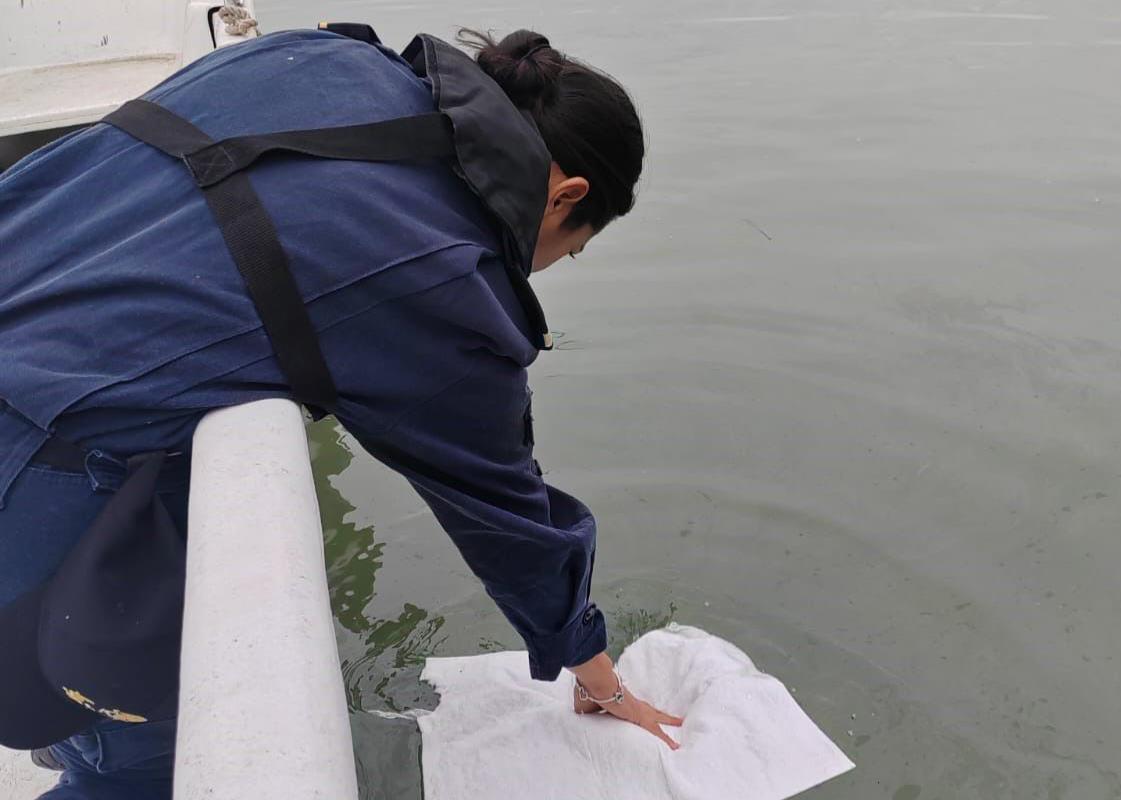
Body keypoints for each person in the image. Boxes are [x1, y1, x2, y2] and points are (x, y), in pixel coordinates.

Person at [0, 24, 683, 800]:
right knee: (150, 762)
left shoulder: (324, 58)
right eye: (574, 246)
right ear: (566, 197)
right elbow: (508, 515)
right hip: (30, 451)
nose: (553, 264)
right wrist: (595, 670)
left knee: (73, 715)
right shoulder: (440, 277)